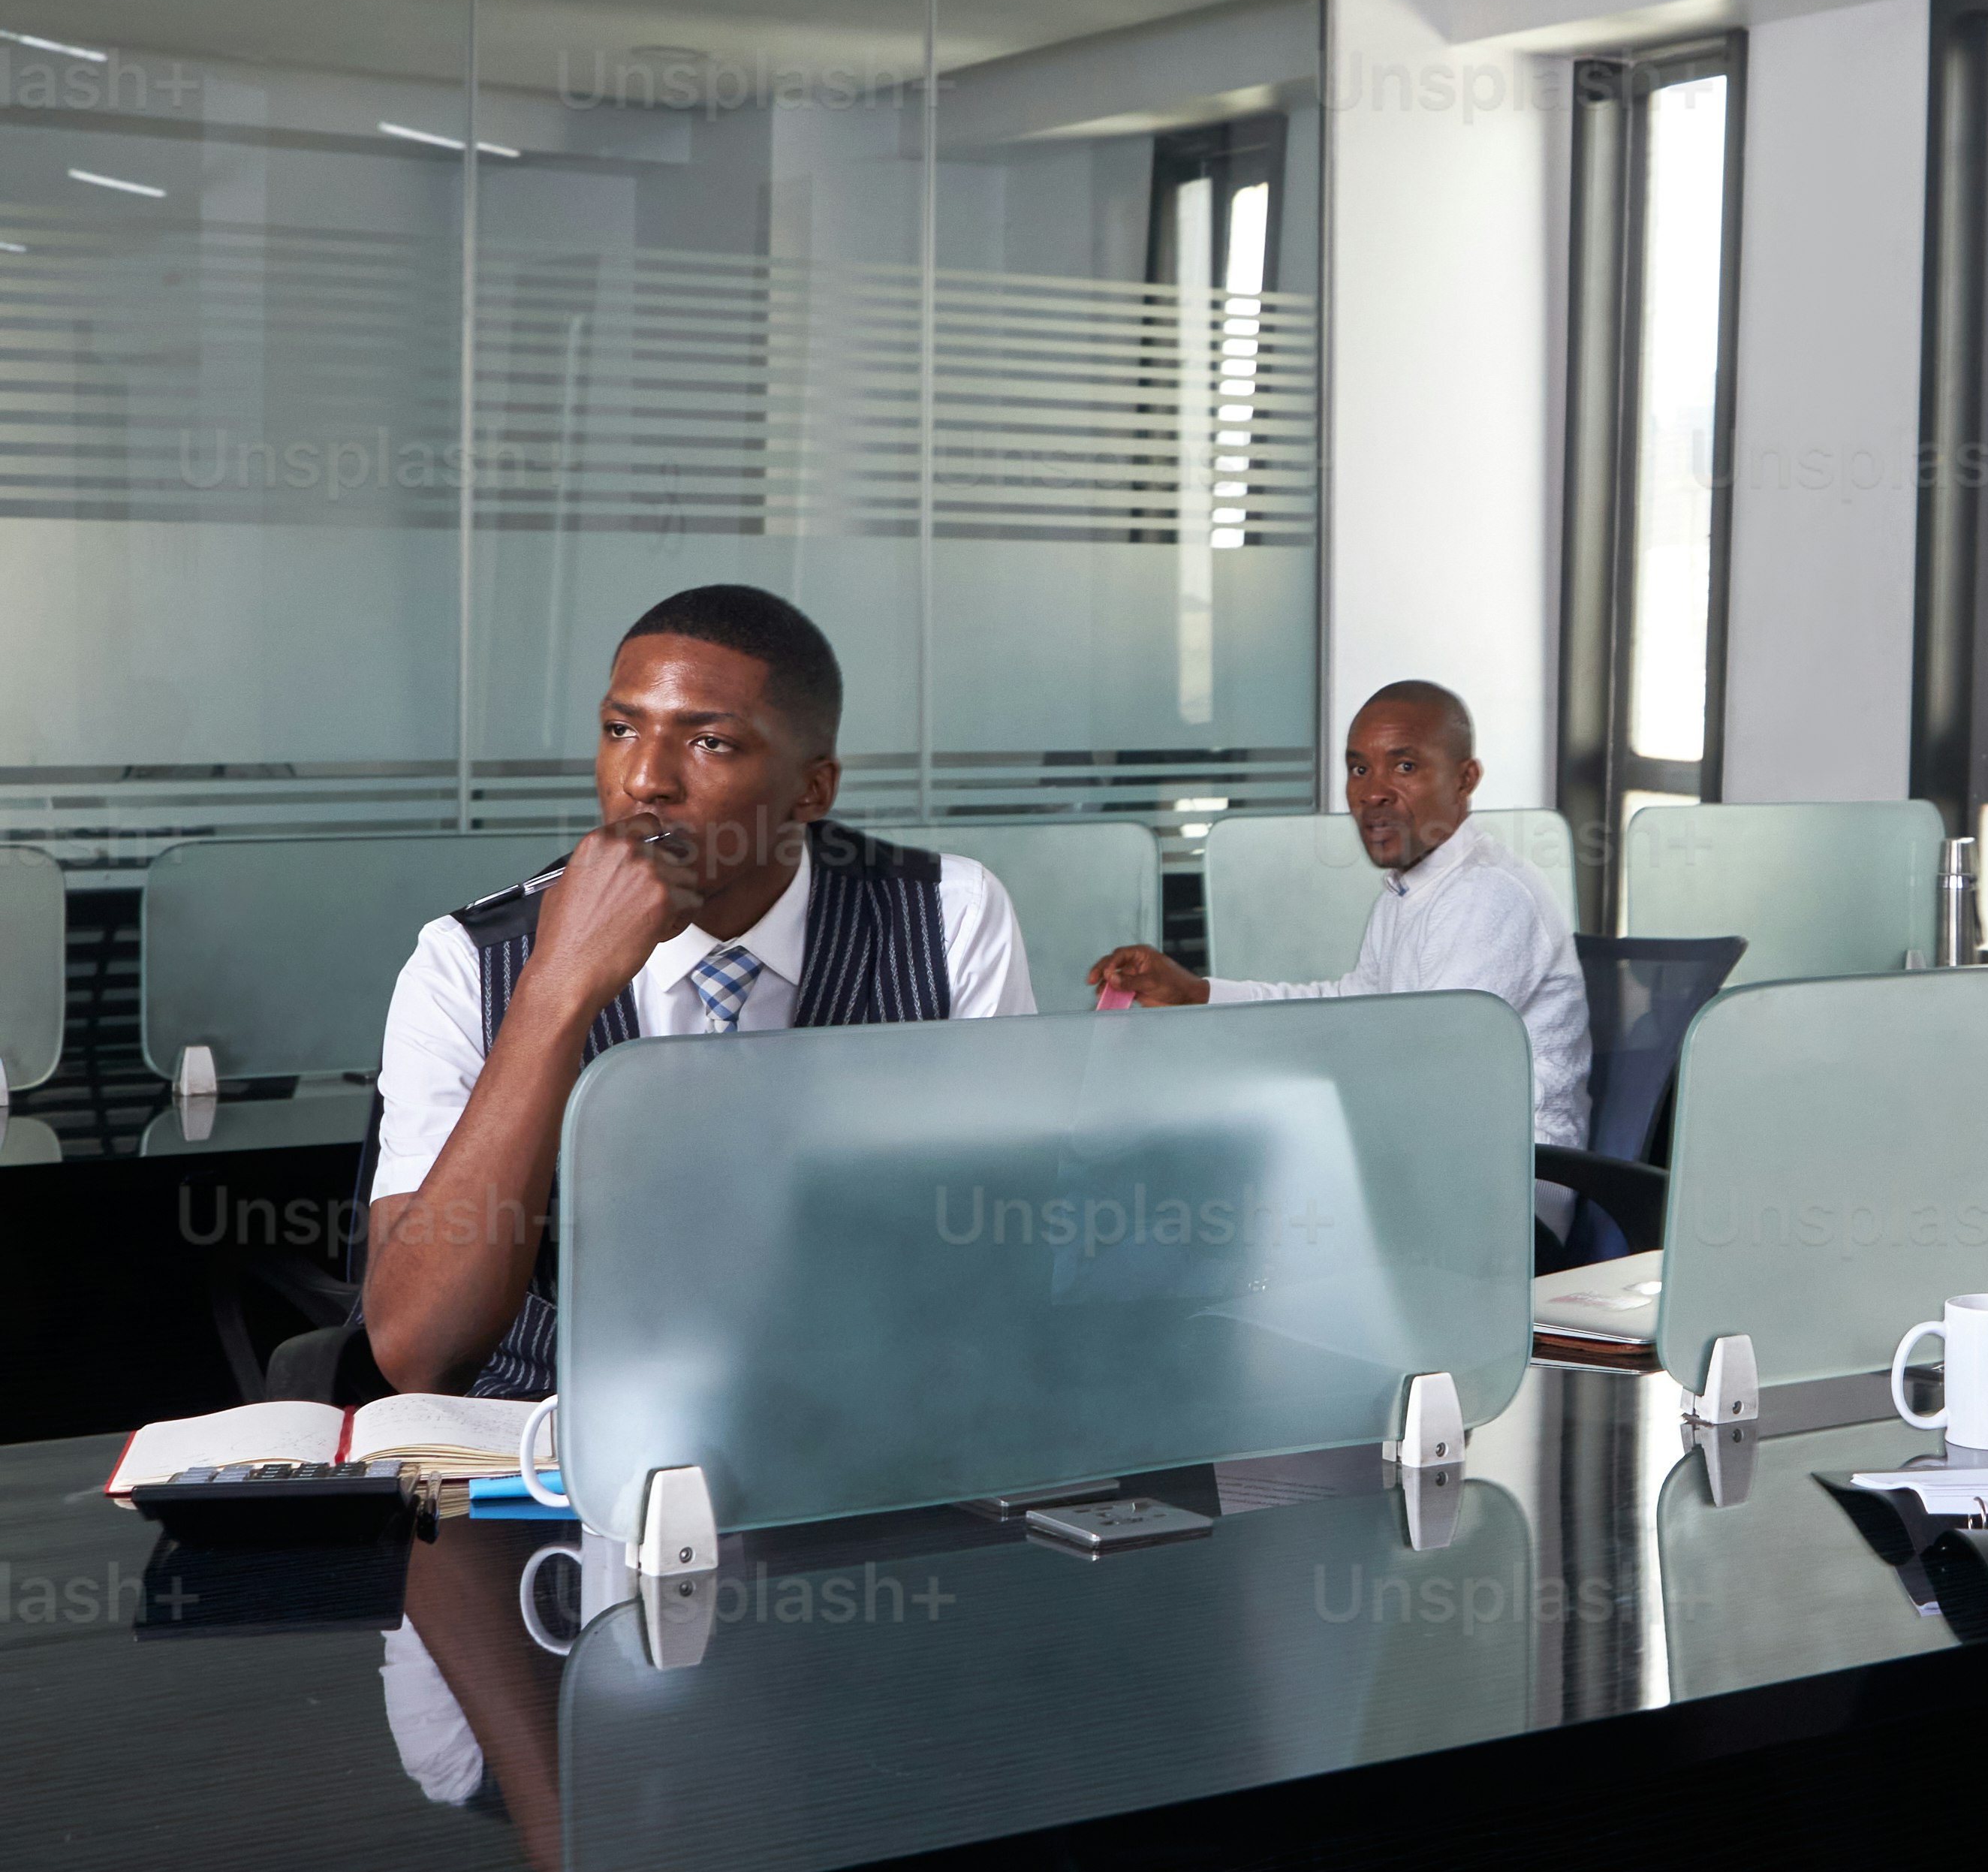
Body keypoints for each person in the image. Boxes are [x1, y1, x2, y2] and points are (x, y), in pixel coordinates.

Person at [361, 582, 1035, 1399]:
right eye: (620, 730)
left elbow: (1001, 1256)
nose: (645, 780)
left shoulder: (944, 915)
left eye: (709, 743)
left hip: (866, 1425)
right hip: (546, 1446)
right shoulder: (465, 961)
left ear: (812, 790)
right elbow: (420, 1352)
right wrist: (556, 990)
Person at [1089, 677, 1590, 1153]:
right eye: (1359, 769)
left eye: (1405, 767)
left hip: (1505, 1196)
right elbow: (1348, 1009)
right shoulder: (1414, 886)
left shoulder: (1487, 896)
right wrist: (1196, 994)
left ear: (1466, 780)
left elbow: (1426, 1072)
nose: (1373, 793)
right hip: (1424, 1166)